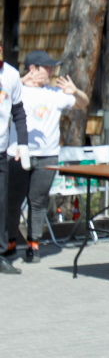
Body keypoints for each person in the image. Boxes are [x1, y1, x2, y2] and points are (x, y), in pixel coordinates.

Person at [6, 50, 88, 263]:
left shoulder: (54, 93)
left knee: (38, 201)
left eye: (52, 67)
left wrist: (76, 91)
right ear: (33, 69)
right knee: (12, 201)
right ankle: (9, 241)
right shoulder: (17, 90)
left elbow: (83, 103)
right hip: (17, 153)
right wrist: (20, 80)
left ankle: (34, 244)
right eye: (47, 68)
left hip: (47, 156)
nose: (52, 71)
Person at [0, 41, 30, 275]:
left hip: (1, 150)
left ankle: (1, 256)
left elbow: (18, 113)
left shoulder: (11, 74)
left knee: (1, 204)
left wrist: (22, 143)